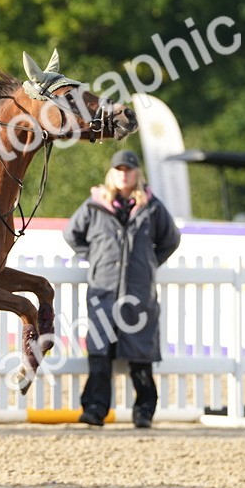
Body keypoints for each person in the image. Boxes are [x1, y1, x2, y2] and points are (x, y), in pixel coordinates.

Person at [63, 149, 181, 428]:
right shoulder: (94, 206)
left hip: (138, 294)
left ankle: (144, 412)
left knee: (141, 354)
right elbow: (72, 235)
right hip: (103, 290)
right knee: (100, 353)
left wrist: (149, 262)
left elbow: (171, 240)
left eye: (128, 169)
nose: (124, 174)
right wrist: (94, 258)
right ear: (111, 173)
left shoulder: (152, 207)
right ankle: (95, 409)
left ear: (137, 173)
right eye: (119, 169)